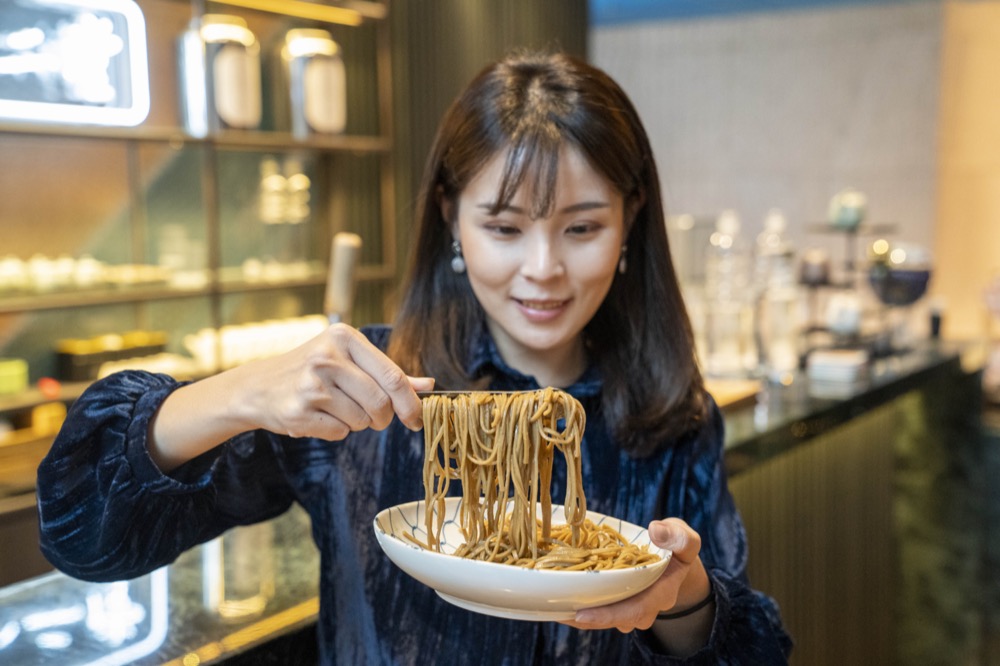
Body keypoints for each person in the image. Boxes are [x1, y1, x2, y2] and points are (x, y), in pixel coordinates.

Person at [36, 50, 792, 664]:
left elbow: (750, 651)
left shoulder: (672, 413)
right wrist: (235, 393)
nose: (542, 269)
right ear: (451, 220)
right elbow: (85, 537)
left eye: (581, 228)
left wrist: (686, 602)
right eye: (503, 227)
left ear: (630, 222)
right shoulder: (364, 390)